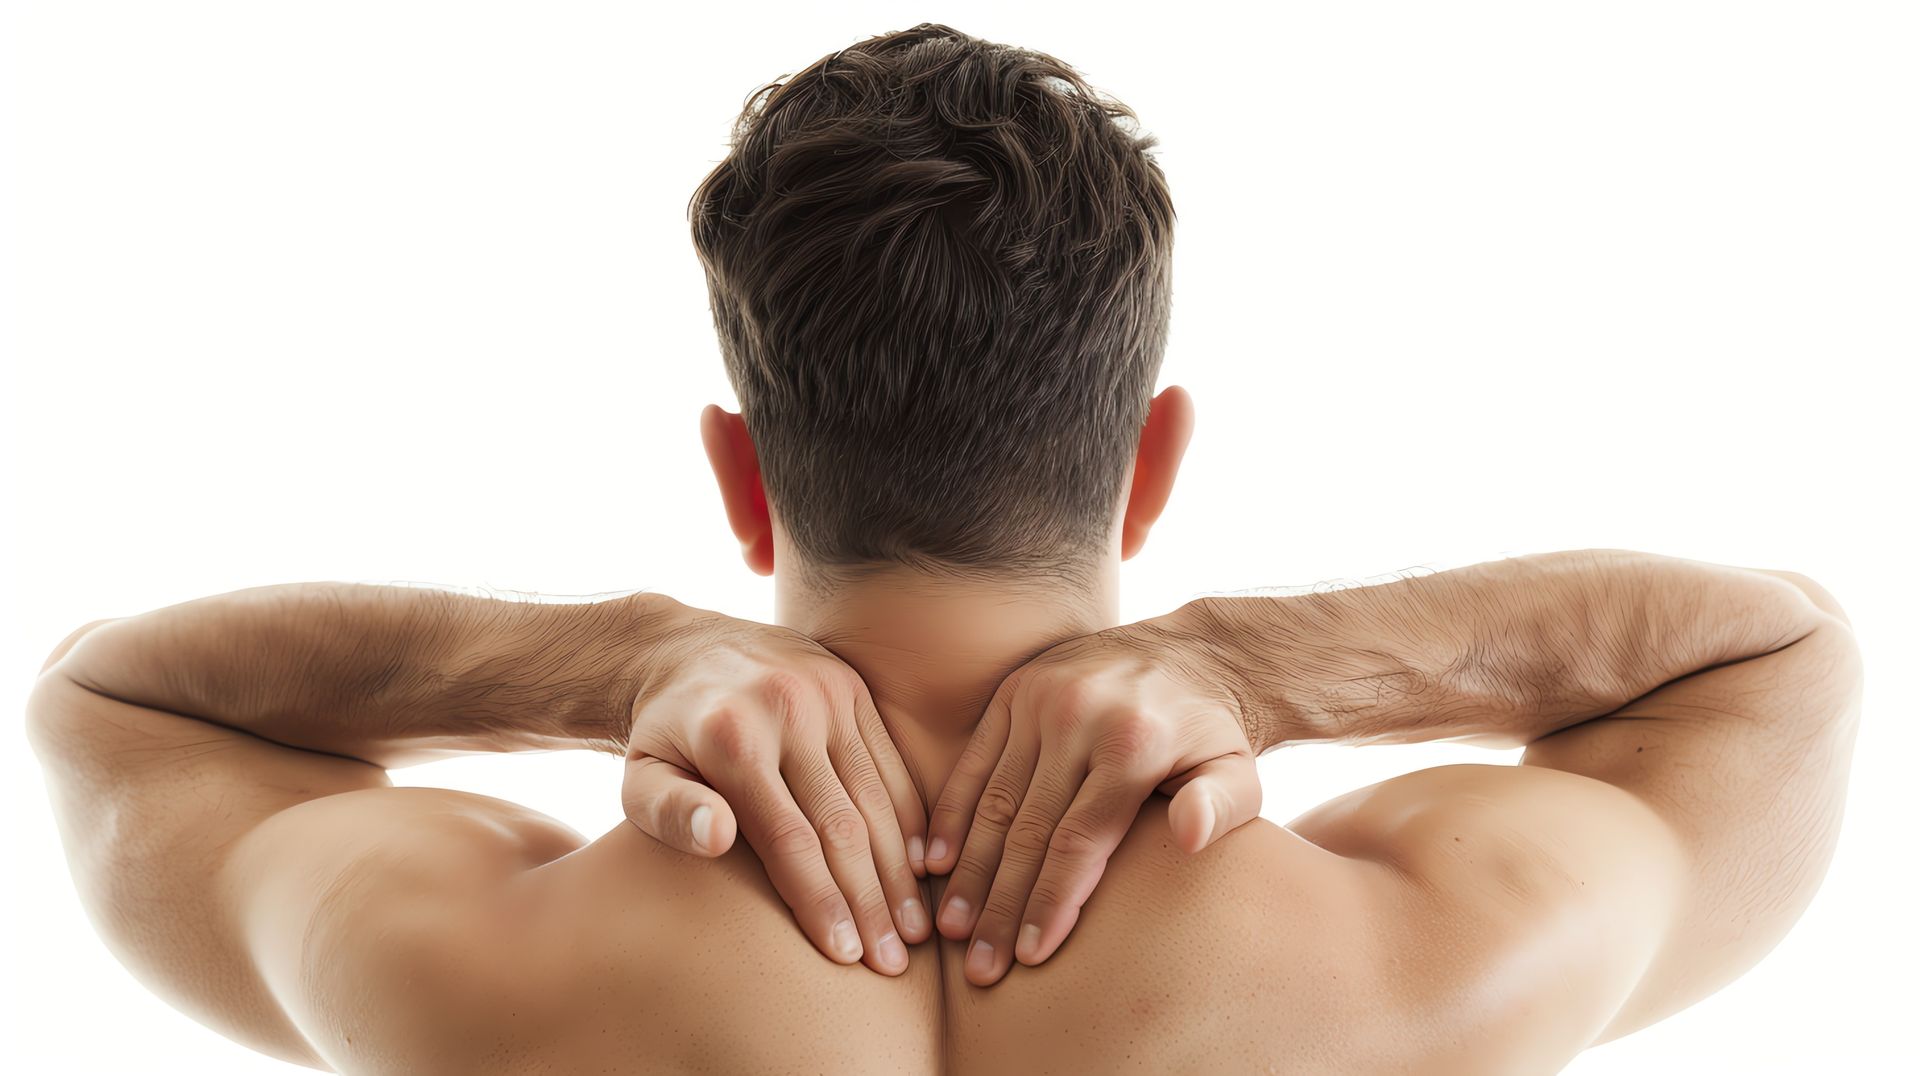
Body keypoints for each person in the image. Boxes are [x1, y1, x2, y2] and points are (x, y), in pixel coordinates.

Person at [26, 22, 1862, 1075]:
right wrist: (1267, 665)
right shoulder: (1413, 953)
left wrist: (603, 663)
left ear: (743, 479)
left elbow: (107, 701)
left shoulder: (468, 958)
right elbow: (1781, 667)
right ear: (1151, 463)